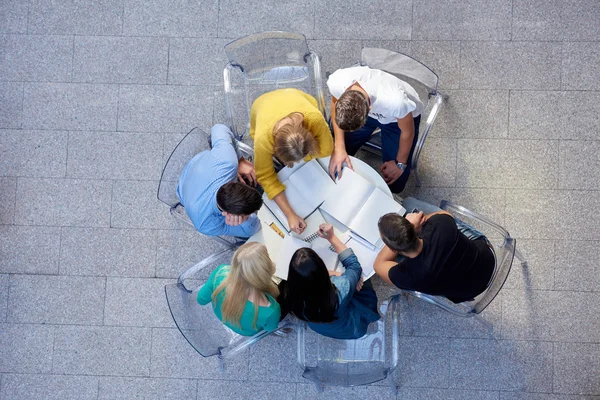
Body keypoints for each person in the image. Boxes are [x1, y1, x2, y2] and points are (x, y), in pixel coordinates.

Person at [373, 197, 495, 303]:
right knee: (409, 203)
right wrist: (411, 227)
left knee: (396, 260)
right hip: (487, 259)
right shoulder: (441, 225)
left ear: (393, 249)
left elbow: (378, 264)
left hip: (466, 292)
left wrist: (396, 242)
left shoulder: (408, 275)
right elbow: (446, 215)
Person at [326, 65, 424, 193]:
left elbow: (407, 132)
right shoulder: (337, 82)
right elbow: (335, 103)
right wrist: (339, 147)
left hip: (396, 120)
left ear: (370, 109)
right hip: (370, 111)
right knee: (333, 155)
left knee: (396, 182)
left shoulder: (395, 102)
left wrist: (400, 164)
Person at [250, 88, 334, 234]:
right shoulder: (263, 140)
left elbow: (327, 150)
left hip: (294, 95)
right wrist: (289, 213)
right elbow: (264, 176)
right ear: (275, 150)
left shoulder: (314, 118)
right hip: (262, 104)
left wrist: (305, 156)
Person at [280, 224, 380, 339]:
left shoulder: (290, 296)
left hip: (325, 328)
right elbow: (354, 266)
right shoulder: (340, 289)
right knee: (361, 279)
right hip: (354, 326)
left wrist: (337, 275)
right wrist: (331, 237)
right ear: (322, 270)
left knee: (356, 280)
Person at [177, 124, 262, 238]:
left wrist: (240, 160)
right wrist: (245, 219)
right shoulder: (205, 223)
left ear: (233, 182)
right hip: (185, 191)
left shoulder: (227, 162)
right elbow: (253, 231)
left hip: (198, 166)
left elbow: (219, 127)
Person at [196, 242, 281, 336]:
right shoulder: (271, 310)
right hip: (246, 331)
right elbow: (270, 328)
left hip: (221, 315)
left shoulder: (220, 272)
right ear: (265, 271)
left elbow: (201, 300)